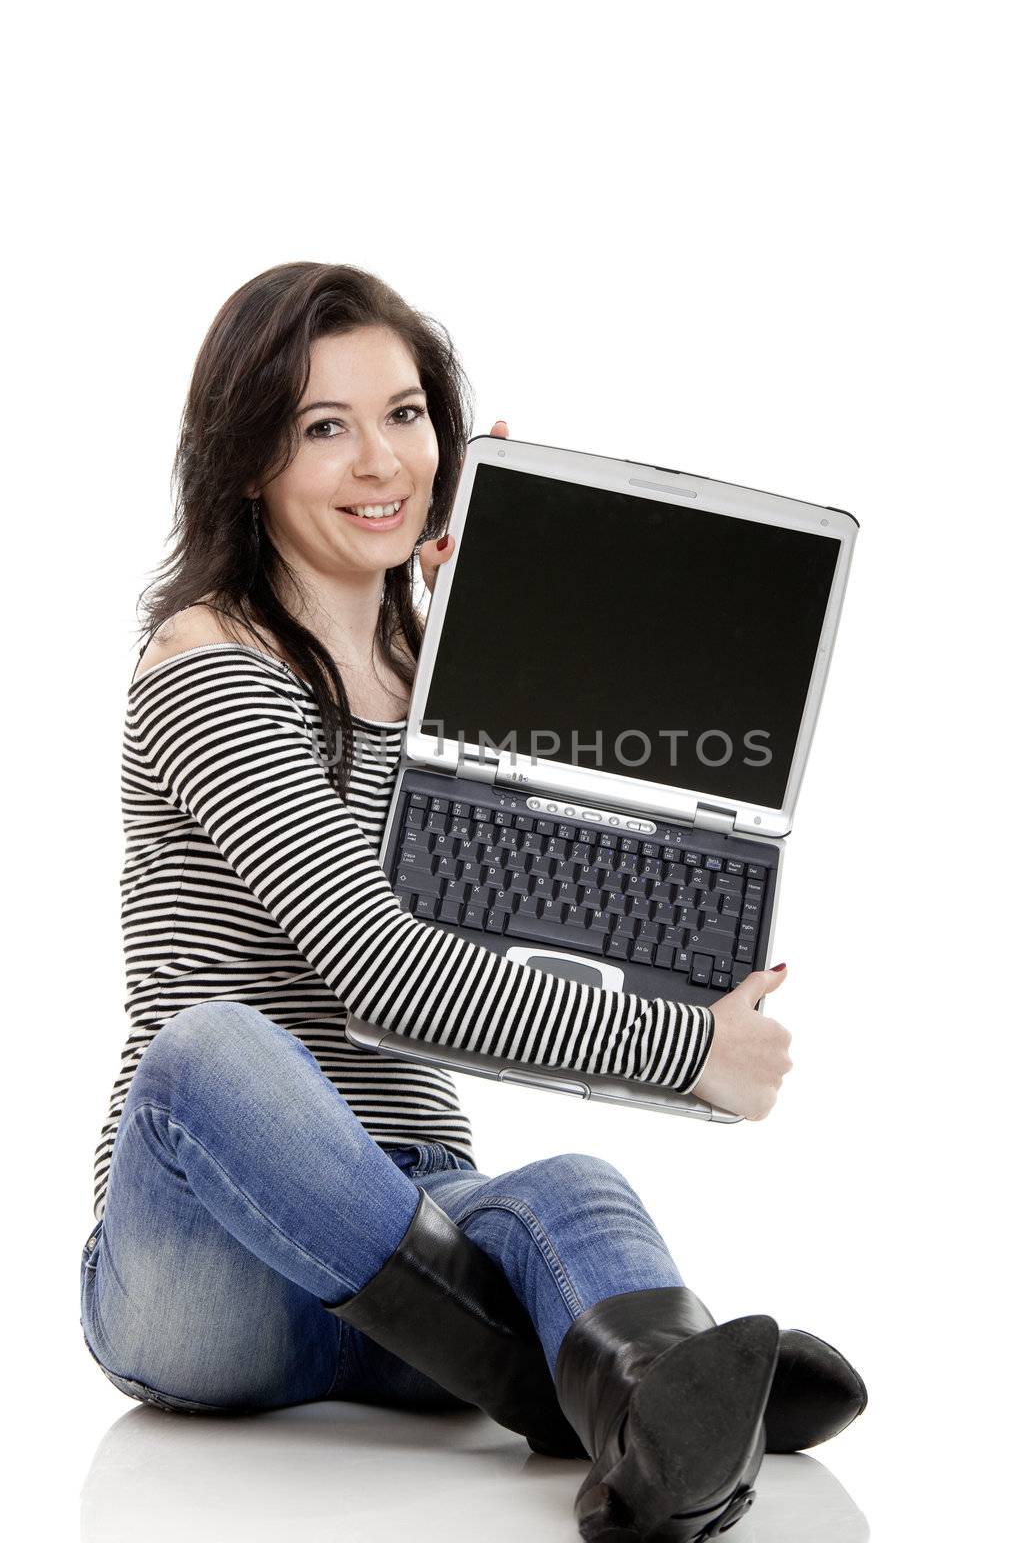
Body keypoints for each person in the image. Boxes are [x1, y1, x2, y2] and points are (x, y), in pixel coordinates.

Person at [80, 262, 866, 1541]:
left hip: (406, 1249)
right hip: (203, 1272)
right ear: (243, 462)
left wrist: (487, 623)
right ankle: (562, 1375)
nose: (379, 459)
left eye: (404, 413)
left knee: (572, 1181)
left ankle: (661, 1431)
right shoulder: (206, 658)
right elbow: (384, 970)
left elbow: (558, 880)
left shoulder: (440, 686)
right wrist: (687, 1054)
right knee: (208, 1047)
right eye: (321, 427)